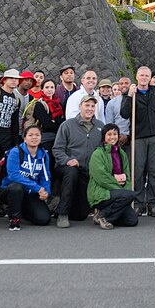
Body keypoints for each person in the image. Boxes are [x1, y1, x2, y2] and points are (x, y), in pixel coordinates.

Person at [121, 66, 155, 217]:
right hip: (138, 137)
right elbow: (124, 113)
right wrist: (129, 96)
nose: (144, 78)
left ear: (150, 77)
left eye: (146, 75)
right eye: (141, 75)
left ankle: (153, 204)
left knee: (154, 171)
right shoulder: (131, 93)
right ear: (136, 76)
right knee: (138, 171)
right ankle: (138, 203)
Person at [53, 95, 104, 227]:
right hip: (67, 167)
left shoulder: (100, 126)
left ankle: (57, 205)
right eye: (87, 105)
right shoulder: (67, 125)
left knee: (80, 215)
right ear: (80, 106)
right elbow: (57, 149)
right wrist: (68, 160)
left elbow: (103, 149)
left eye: (93, 106)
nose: (90, 109)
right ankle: (62, 214)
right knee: (71, 172)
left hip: (87, 171)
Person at [0, 125, 51, 230]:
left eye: (37, 135)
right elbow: (13, 175)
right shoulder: (16, 152)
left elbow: (45, 176)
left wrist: (46, 191)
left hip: (31, 193)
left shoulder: (43, 155)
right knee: (16, 187)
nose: (34, 137)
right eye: (30, 135)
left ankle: (20, 209)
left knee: (43, 219)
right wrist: (37, 187)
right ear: (25, 138)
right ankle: (14, 218)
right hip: (10, 190)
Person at [87, 124, 137, 229]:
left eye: (115, 134)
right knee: (130, 195)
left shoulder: (121, 153)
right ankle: (103, 215)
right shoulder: (98, 153)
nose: (112, 137)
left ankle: (103, 217)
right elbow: (102, 178)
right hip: (101, 192)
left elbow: (127, 175)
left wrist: (125, 191)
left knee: (132, 220)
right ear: (104, 137)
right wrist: (122, 191)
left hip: (118, 193)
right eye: (109, 134)